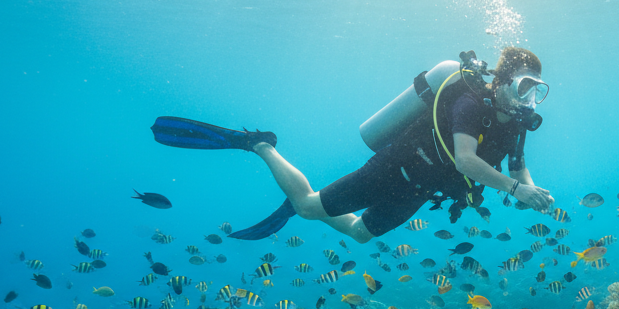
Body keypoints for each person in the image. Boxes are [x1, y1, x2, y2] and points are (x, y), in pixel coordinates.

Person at [151, 47, 554, 244]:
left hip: (423, 189)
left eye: (537, 92)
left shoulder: (516, 123)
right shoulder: (469, 102)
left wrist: (528, 189)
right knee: (309, 209)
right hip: (397, 166)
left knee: (361, 234)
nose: (528, 101)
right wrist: (518, 190)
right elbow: (466, 161)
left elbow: (517, 167)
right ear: (501, 81)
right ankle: (259, 145)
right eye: (523, 87)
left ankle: (307, 200)